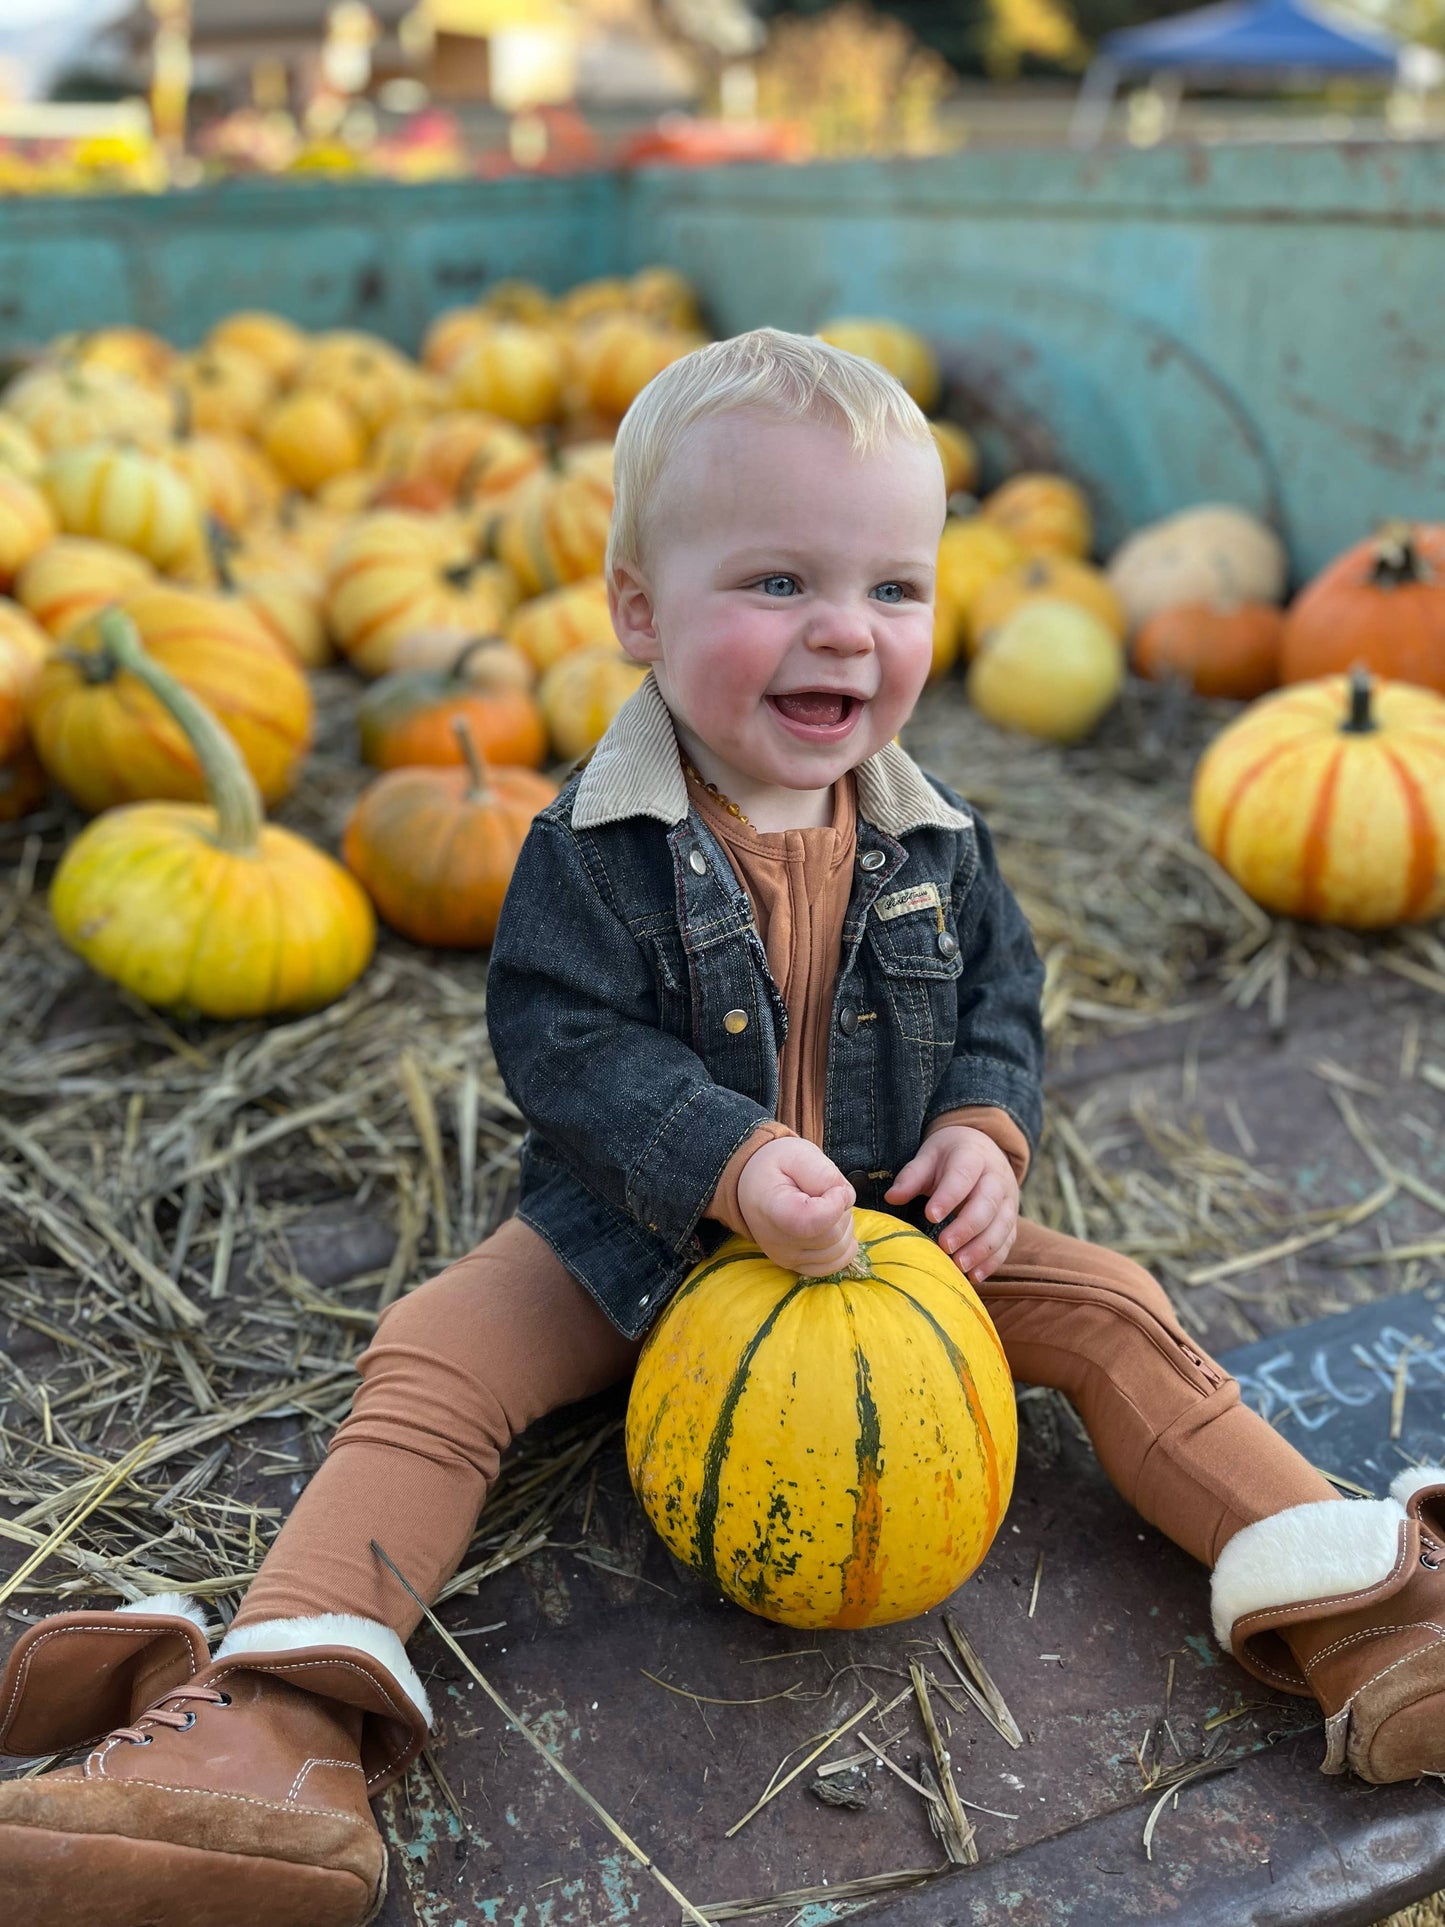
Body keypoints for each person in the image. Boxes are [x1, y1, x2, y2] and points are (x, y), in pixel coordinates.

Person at [1, 329, 1441, 1927]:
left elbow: (998, 1003)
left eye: (892, 590)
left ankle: (1369, 1609)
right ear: (635, 608)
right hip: (633, 1242)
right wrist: (726, 1160)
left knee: (1109, 1312)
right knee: (436, 1351)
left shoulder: (933, 836)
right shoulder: (590, 844)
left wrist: (984, 1123)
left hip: (886, 1239)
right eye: (775, 584)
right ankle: (275, 1737)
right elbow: (558, 1041)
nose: (844, 631)